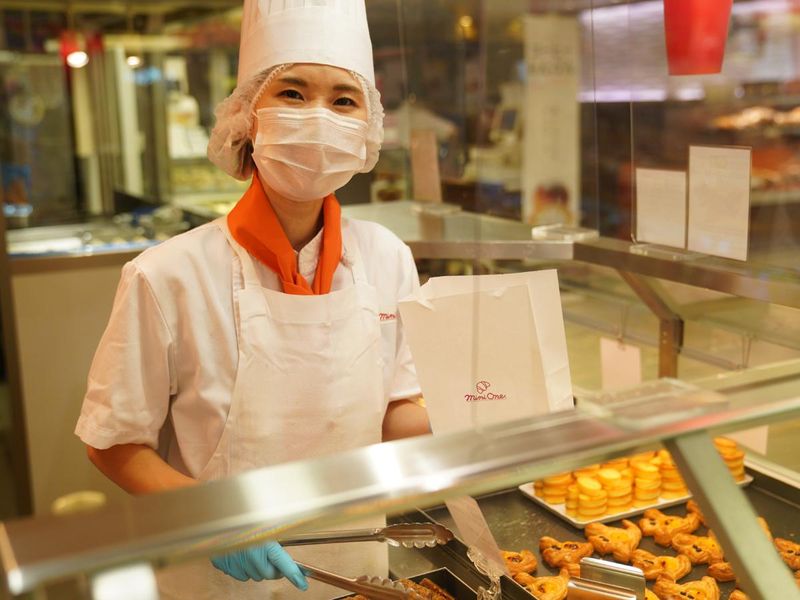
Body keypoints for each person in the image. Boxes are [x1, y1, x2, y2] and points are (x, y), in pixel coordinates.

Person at [74, 1, 430, 598]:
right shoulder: (167, 275)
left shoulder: (386, 256)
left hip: (357, 565)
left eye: (344, 100)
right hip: (218, 578)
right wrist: (216, 520)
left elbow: (393, 412)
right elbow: (113, 444)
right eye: (293, 93)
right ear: (247, 118)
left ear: (367, 126)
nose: (319, 117)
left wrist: (488, 409)